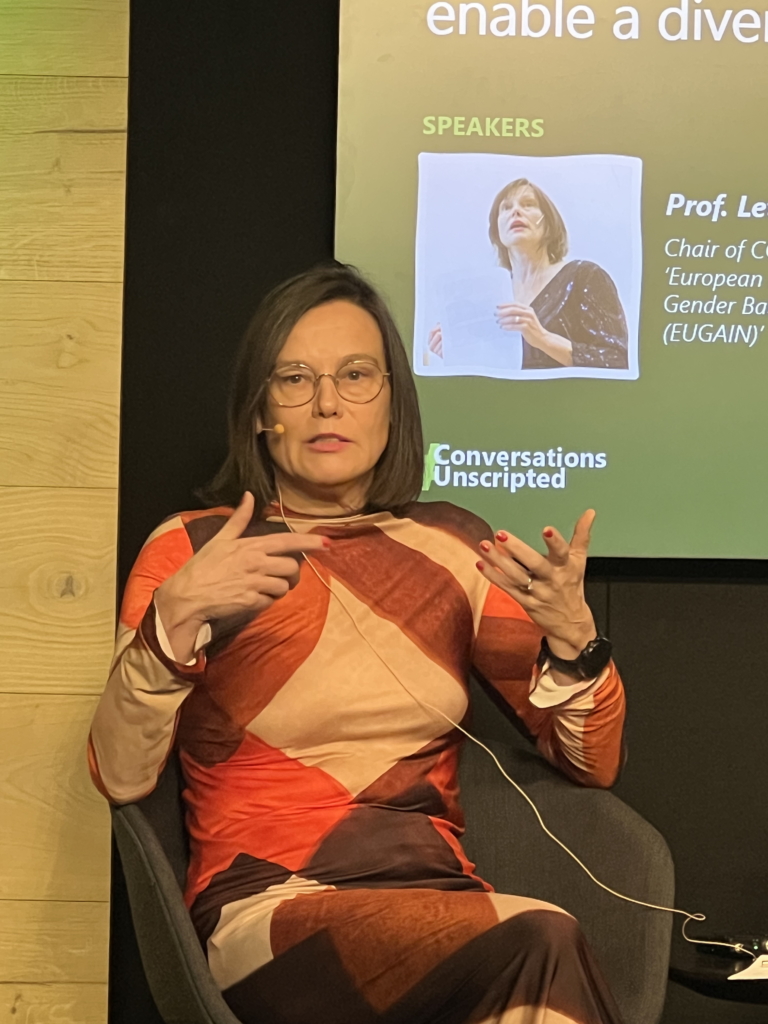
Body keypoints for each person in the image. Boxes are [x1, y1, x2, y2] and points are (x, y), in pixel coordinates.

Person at [89, 263, 626, 1024]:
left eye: (356, 375)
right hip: (270, 913)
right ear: (257, 413)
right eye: (294, 379)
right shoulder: (195, 549)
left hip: (444, 908)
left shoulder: (453, 545)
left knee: (527, 963)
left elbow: (590, 763)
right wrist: (166, 631)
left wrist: (576, 643)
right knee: (542, 945)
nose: (328, 402)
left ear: (392, 404)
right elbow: (118, 776)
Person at [428, 178, 630, 370]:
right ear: (497, 230)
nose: (515, 211)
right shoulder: (488, 295)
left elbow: (618, 360)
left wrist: (543, 338)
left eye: (528, 204)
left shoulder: (585, 276)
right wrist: (457, 354)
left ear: (549, 222)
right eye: (506, 208)